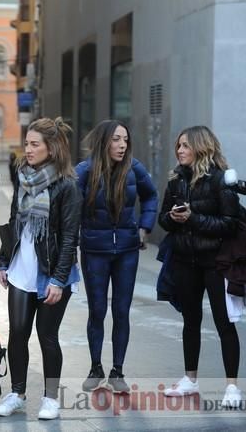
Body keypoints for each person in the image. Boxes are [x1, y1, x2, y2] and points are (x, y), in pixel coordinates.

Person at [0, 117, 82, 420]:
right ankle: (17, 393)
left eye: (34, 144)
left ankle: (50, 398)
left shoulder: (67, 186)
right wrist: (4, 261)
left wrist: (58, 280)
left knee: (47, 335)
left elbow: (70, 236)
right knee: (17, 332)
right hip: (21, 267)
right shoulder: (23, 176)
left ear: (52, 148)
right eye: (27, 143)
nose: (27, 150)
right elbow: (15, 219)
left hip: (51, 272)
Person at [158, 125, 242, 408]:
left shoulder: (220, 180)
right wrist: (173, 217)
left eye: (185, 145)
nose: (180, 150)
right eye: (178, 146)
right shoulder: (175, 181)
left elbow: (231, 224)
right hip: (185, 261)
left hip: (215, 262)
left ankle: (232, 386)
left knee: (224, 323)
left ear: (201, 147)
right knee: (190, 322)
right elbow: (163, 221)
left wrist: (193, 219)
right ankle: (190, 380)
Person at [75, 120, 158, 393]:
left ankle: (117, 371)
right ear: (104, 142)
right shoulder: (84, 171)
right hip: (94, 250)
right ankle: (95, 367)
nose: (122, 145)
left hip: (126, 251)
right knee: (97, 310)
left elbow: (151, 196)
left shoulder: (134, 168)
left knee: (121, 311)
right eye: (116, 139)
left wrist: (145, 227)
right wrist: (75, 235)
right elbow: (70, 206)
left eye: (125, 139)